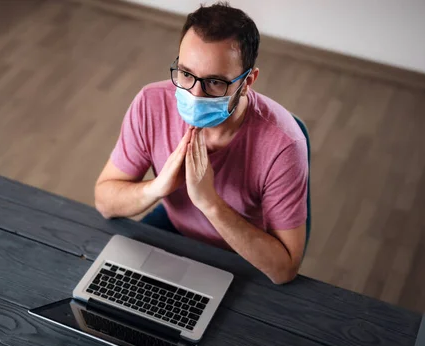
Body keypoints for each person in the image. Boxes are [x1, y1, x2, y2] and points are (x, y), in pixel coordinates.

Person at [94, 2, 308, 284]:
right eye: (185, 74)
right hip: (176, 225)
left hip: (244, 251)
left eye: (215, 83)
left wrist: (209, 203)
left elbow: (284, 269)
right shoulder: (151, 103)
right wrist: (158, 188)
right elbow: (104, 201)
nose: (195, 94)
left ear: (247, 82)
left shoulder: (284, 144)